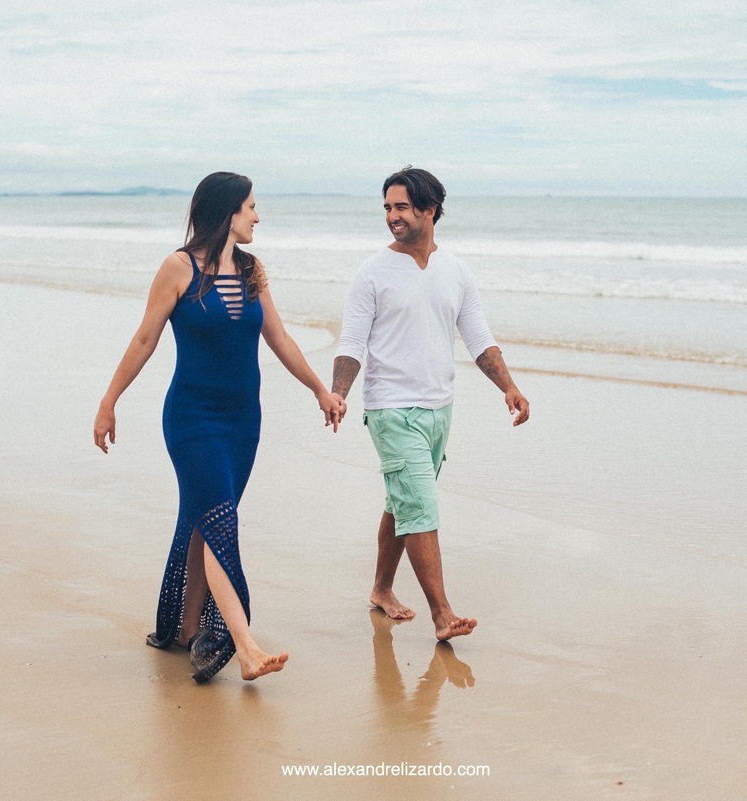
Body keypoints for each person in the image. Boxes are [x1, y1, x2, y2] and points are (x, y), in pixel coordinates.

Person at [94, 172, 345, 682]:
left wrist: (321, 389)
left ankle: (185, 629)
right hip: (191, 419)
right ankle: (245, 647)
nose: (257, 216)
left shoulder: (253, 270)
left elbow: (279, 338)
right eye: (251, 206)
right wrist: (109, 401)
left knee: (203, 520)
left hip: (242, 423)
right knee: (220, 522)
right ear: (227, 212)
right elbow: (144, 340)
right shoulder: (177, 268)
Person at [331, 166, 530, 641]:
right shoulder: (371, 273)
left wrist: (509, 386)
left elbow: (479, 338)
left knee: (403, 502)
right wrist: (338, 392)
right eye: (387, 208)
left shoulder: (455, 270)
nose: (391, 216)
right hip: (390, 408)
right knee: (420, 504)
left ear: (429, 209)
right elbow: (351, 343)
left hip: (439, 408)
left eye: (401, 207)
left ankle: (381, 588)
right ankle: (443, 615)